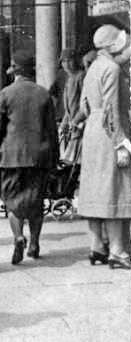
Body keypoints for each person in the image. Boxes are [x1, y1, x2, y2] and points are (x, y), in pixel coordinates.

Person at [0, 50, 59, 264]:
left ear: (15, 71)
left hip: (11, 157)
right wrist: (54, 158)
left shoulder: (5, 94)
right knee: (36, 202)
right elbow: (51, 131)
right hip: (39, 156)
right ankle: (35, 243)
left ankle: (19, 237)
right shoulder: (44, 94)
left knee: (12, 202)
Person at [78, 25, 131, 269]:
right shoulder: (113, 69)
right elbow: (112, 111)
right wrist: (121, 143)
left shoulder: (93, 68)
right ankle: (118, 251)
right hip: (110, 134)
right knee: (117, 189)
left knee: (95, 189)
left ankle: (96, 246)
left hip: (92, 132)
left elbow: (84, 107)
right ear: (114, 45)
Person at [59, 49, 85, 164]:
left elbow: (85, 102)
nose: (66, 64)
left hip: (81, 124)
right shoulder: (69, 79)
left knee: (77, 159)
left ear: (76, 61)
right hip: (73, 125)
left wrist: (75, 121)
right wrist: (65, 121)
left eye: (69, 60)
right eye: (64, 61)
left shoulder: (81, 77)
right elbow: (69, 107)